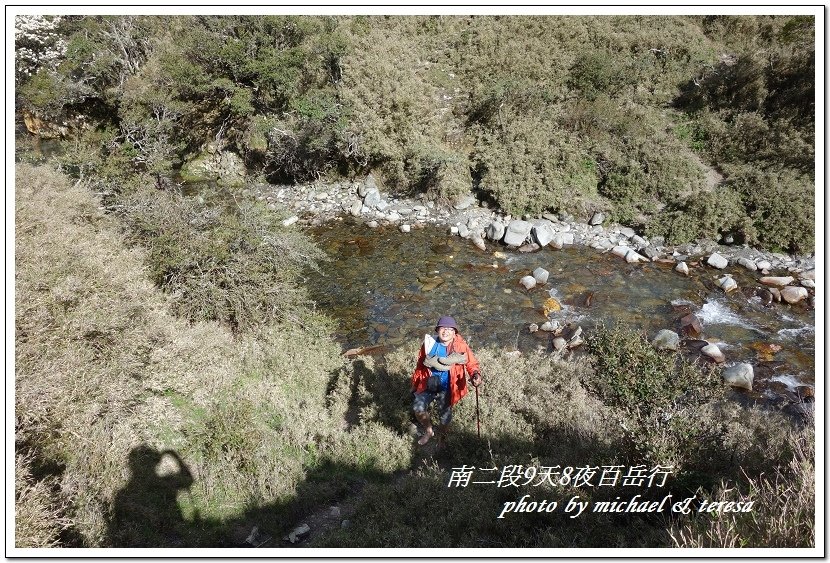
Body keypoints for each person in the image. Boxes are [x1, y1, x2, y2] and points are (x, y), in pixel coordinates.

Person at [411, 316, 482, 446]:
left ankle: (442, 438)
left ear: (454, 332)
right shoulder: (429, 344)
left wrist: (475, 374)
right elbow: (420, 365)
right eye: (443, 328)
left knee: (445, 417)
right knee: (418, 409)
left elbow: (471, 363)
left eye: (450, 329)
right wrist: (415, 384)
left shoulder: (460, 346)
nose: (446, 331)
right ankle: (429, 430)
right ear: (437, 330)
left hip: (448, 386)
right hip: (428, 383)